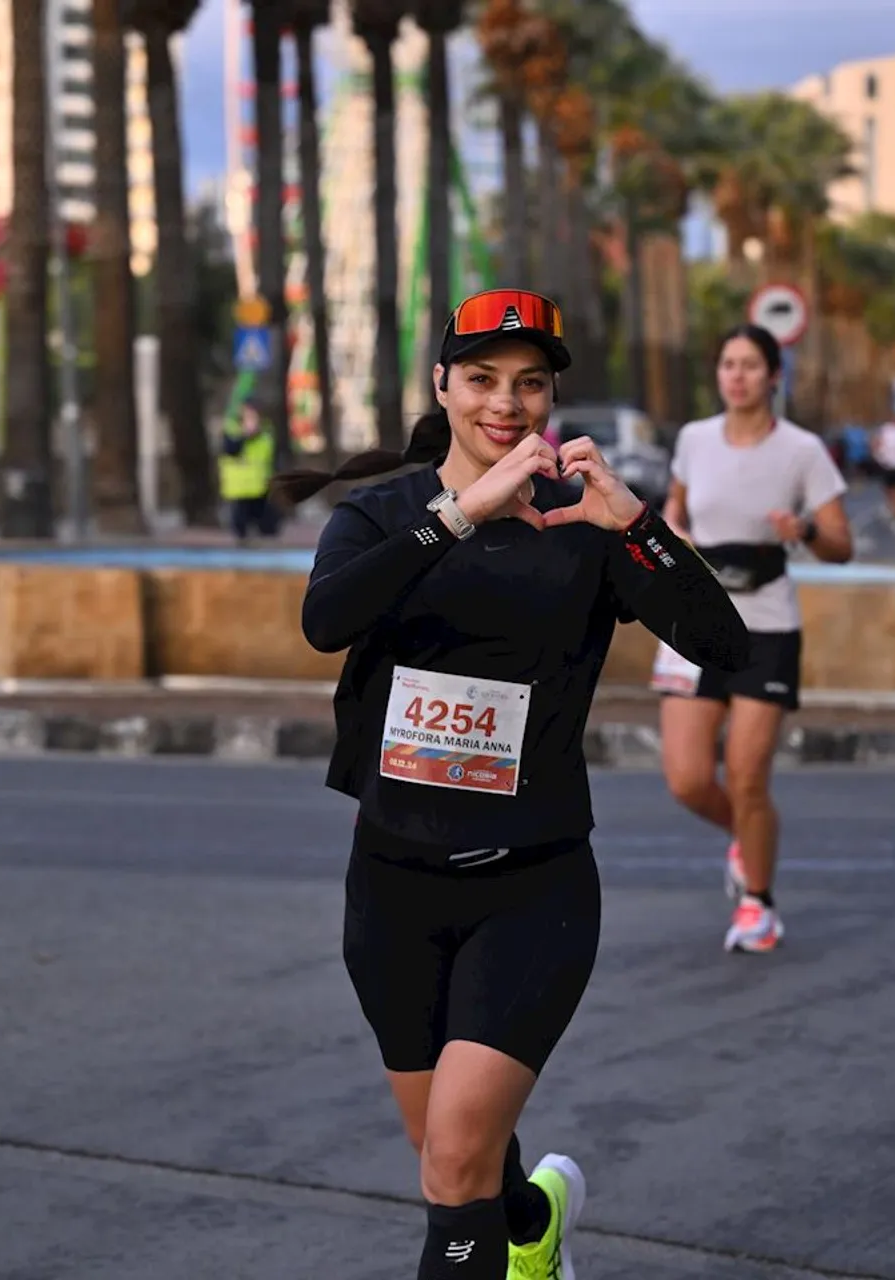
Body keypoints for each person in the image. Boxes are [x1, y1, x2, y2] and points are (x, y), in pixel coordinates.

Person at [276, 288, 751, 1280]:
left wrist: (639, 526)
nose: (507, 402)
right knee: (459, 1156)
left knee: (452, 1166)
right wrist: (460, 513)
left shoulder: (585, 528)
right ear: (444, 383)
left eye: (529, 383)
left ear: (550, 398)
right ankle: (534, 1218)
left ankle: (506, 1238)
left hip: (532, 887)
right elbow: (327, 619)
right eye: (484, 379)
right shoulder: (383, 514)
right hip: (394, 887)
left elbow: (724, 644)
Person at [656, 324, 854, 955]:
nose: (735, 375)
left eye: (748, 365)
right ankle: (747, 839)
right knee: (687, 778)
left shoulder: (802, 451)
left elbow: (842, 545)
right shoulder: (693, 439)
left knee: (746, 775)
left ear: (774, 376)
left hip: (766, 625)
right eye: (726, 363)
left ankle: (758, 904)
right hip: (694, 621)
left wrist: (803, 530)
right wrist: (669, 534)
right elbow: (675, 509)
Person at [218, 403, 281, 543]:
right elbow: (231, 450)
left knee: (268, 526)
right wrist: (245, 435)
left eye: (254, 417)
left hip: (261, 486)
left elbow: (271, 457)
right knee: (241, 529)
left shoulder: (265, 434)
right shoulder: (232, 432)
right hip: (239, 489)